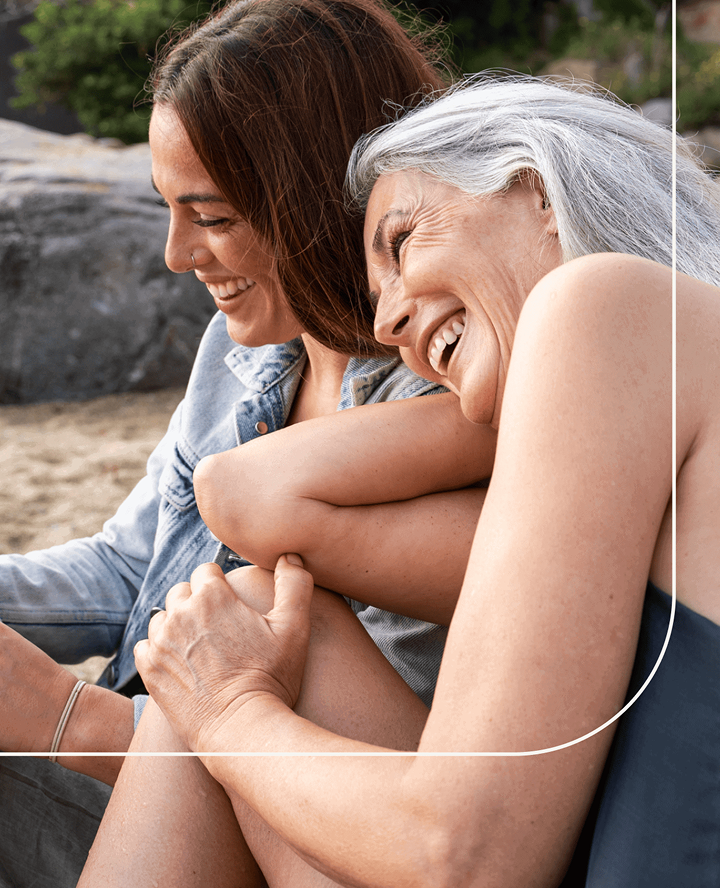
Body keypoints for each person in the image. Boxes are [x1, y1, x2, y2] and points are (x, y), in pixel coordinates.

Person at [82, 76, 720, 888]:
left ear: (536, 187)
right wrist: (497, 408)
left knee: (227, 671)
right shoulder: (700, 393)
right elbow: (250, 494)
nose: (387, 322)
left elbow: (461, 854)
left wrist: (224, 712)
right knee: (264, 614)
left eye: (399, 244)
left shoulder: (607, 302)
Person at [0, 3, 496, 886]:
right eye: (169, 211)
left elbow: (334, 783)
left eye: (213, 217)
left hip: (224, 815)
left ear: (315, 200)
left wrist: (59, 714)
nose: (175, 254)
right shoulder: (245, 347)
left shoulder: (444, 414)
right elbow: (130, 567)